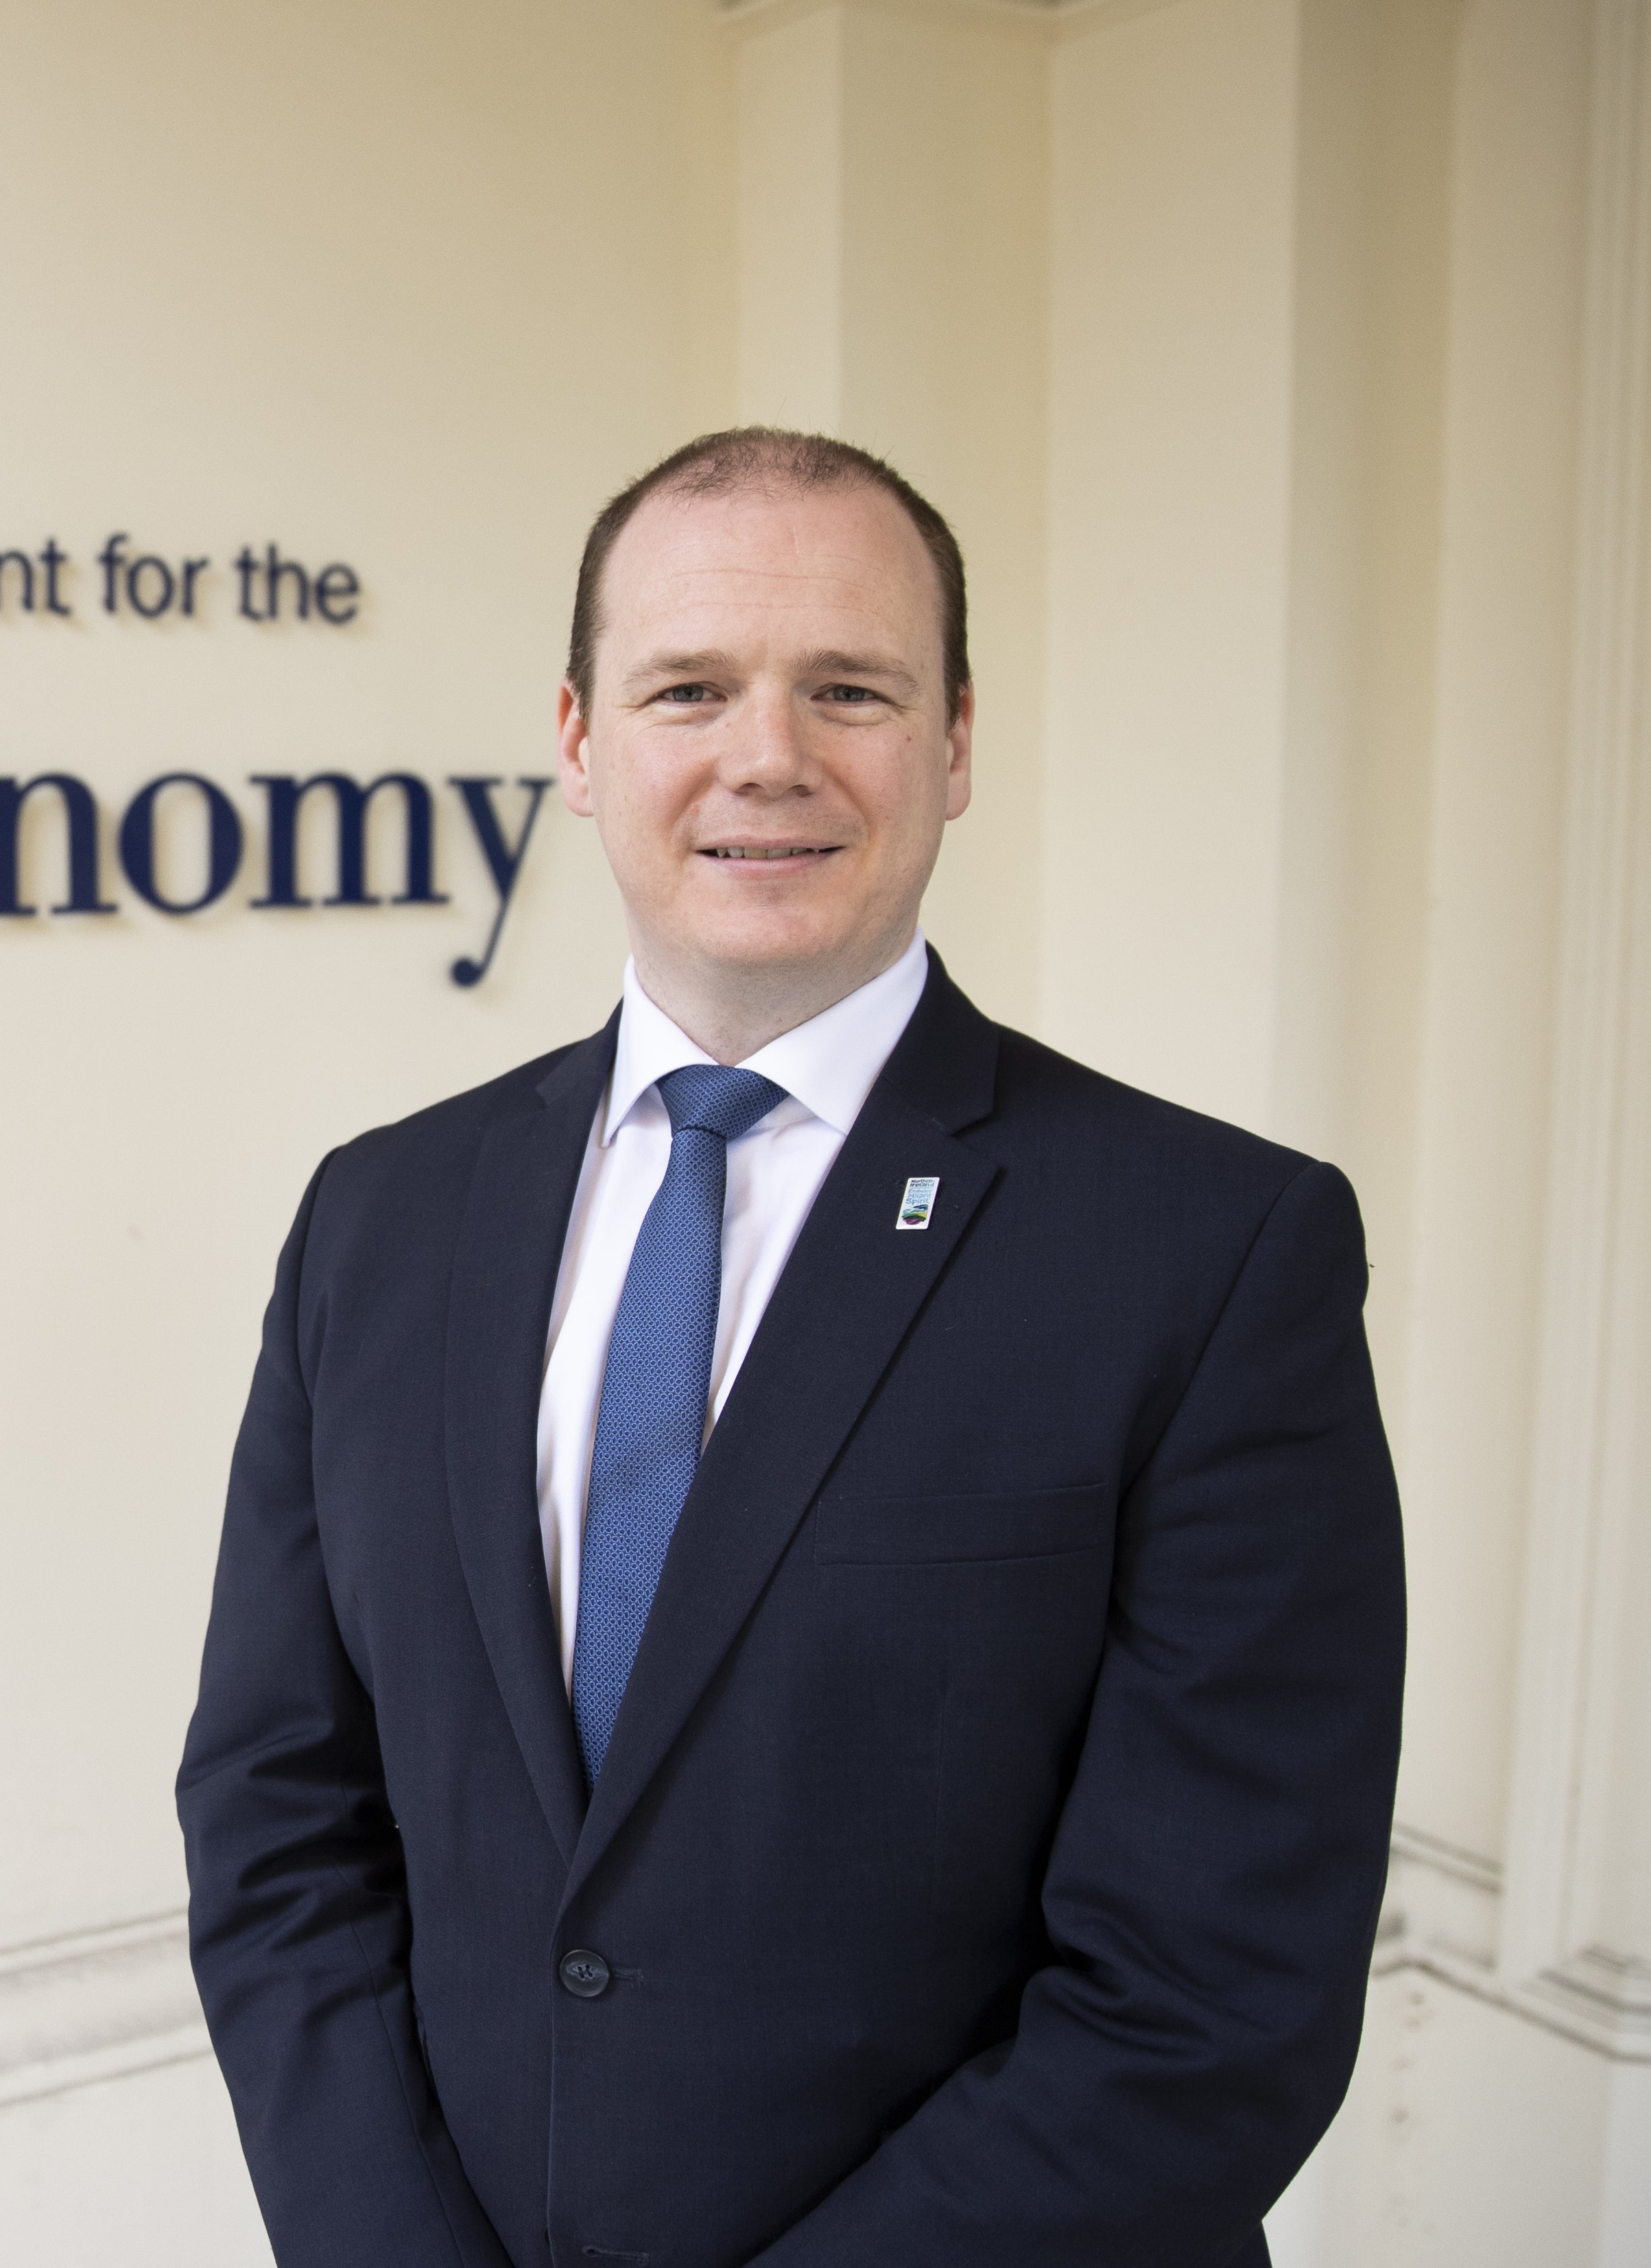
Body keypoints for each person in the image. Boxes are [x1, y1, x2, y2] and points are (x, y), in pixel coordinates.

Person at [174, 427, 1404, 2268]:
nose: (769, 754)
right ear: (581, 742)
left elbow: (1206, 1996)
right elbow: (280, 1823)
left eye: (850, 686)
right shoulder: (381, 1217)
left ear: (955, 743)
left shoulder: (1211, 1254)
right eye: (689, 687)